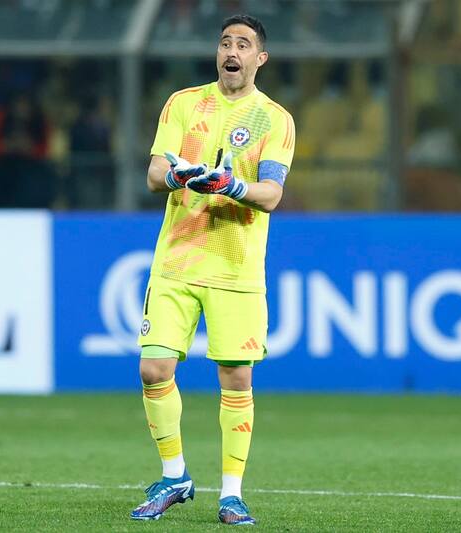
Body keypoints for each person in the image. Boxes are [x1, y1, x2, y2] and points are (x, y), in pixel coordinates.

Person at [130, 14, 295, 526]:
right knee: (154, 368)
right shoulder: (184, 103)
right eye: (225, 42)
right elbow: (156, 173)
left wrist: (232, 186)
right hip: (177, 262)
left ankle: (231, 494)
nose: (232, 50)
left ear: (259, 59)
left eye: (243, 44)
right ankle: (175, 474)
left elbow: (271, 193)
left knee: (236, 378)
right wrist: (179, 172)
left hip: (236, 268)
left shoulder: (274, 119)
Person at [0, 92, 54, 208]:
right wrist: (7, 146)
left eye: (25, 105)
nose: (22, 109)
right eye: (19, 105)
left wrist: (29, 148)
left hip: (32, 169)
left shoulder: (39, 120)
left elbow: (45, 149)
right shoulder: (0, 118)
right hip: (4, 169)